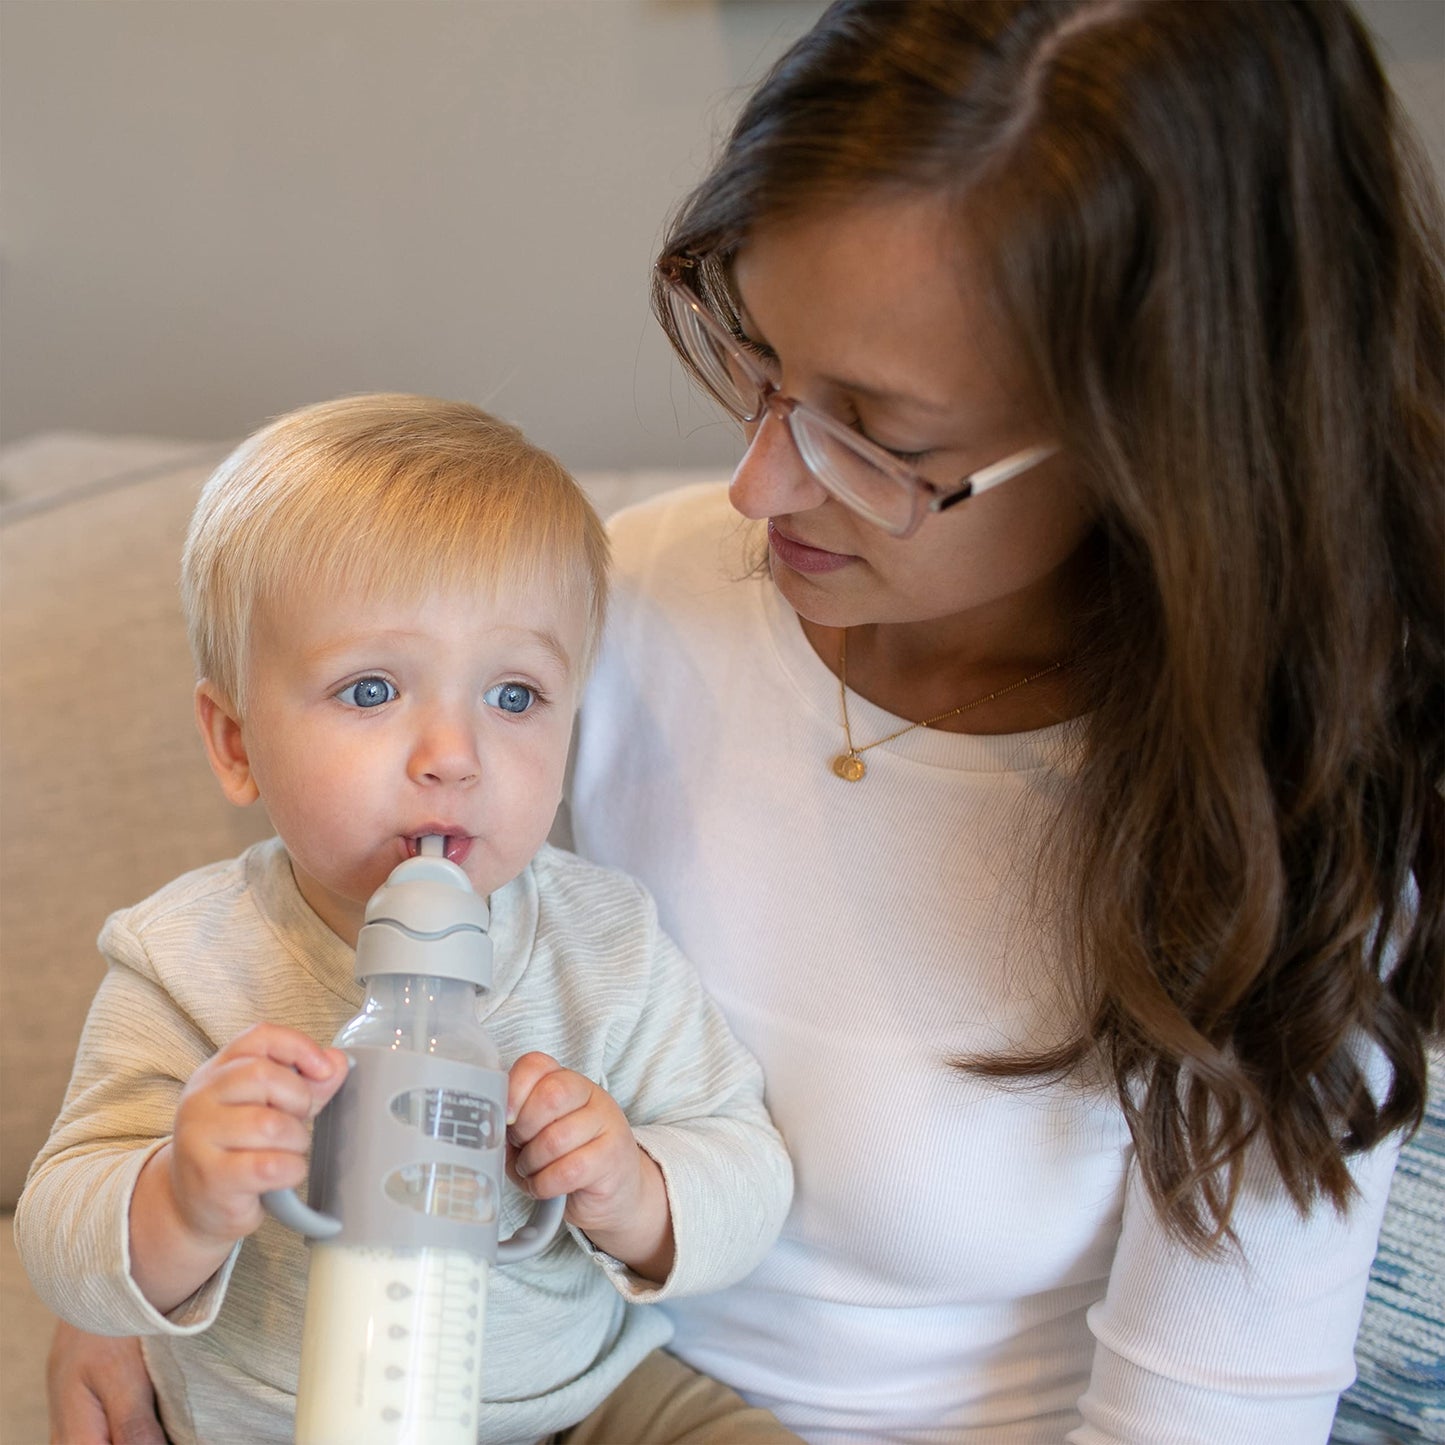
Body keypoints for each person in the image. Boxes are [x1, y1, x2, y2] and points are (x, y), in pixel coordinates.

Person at [46, 1, 1444, 1442]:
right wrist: (138, 1243)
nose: (758, 486)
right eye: (759, 365)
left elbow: (1207, 1410)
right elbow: (319, 939)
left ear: (1170, 439)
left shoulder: (1291, 817)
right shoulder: (606, 614)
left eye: (875, 438)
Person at [17, 394, 798, 1445]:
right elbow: (61, 1228)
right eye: (373, 686)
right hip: (278, 1414)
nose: (453, 752)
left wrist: (634, 1186)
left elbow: (748, 1170)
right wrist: (179, 1197)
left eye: (514, 695)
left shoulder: (605, 938)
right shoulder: (185, 955)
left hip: (579, 1402)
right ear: (236, 740)